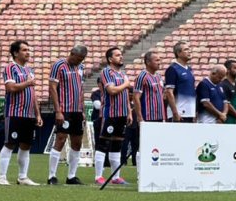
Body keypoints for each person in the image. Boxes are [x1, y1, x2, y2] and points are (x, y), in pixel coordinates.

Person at [0, 40, 43, 186]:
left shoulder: (29, 70)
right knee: (10, 143)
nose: (28, 52)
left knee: (26, 145)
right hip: (14, 112)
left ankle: (22, 177)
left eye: (28, 50)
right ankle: (2, 176)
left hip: (29, 114)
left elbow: (33, 94)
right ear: (16, 53)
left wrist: (38, 114)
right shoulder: (10, 68)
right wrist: (28, 83)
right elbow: (10, 88)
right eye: (24, 50)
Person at [47, 45, 87, 185]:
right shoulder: (59, 65)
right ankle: (52, 175)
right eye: (79, 58)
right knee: (61, 139)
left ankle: (71, 176)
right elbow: (52, 87)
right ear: (72, 54)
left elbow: (81, 89)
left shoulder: (81, 68)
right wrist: (58, 111)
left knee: (77, 142)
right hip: (64, 109)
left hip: (77, 111)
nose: (80, 61)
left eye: (82, 59)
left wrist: (82, 110)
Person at [94, 47, 134, 185]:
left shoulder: (123, 75)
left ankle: (116, 177)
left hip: (122, 114)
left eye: (121, 55)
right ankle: (98, 176)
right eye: (117, 55)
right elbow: (111, 91)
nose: (121, 57)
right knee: (103, 143)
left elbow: (125, 96)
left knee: (117, 144)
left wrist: (129, 112)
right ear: (110, 59)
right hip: (110, 113)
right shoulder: (106, 72)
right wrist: (126, 84)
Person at [134, 51, 167, 126]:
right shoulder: (142, 76)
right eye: (156, 60)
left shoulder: (159, 76)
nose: (159, 63)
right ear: (148, 62)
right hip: (147, 117)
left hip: (160, 116)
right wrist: (139, 117)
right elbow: (136, 97)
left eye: (159, 60)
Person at [164, 41, 195, 122]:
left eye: (189, 49)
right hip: (179, 113)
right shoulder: (173, 69)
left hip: (189, 112)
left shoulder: (190, 70)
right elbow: (169, 92)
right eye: (186, 50)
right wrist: (175, 112)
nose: (189, 51)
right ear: (178, 53)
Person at [220, 59, 236, 124]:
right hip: (228, 120)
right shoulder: (223, 85)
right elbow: (227, 104)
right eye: (235, 68)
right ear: (228, 70)